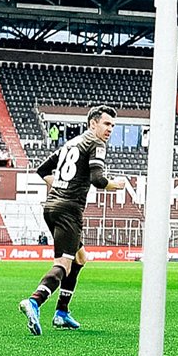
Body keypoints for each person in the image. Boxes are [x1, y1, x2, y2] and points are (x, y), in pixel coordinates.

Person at [19, 106, 122, 334]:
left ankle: (62, 312)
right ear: (93, 123)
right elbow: (98, 179)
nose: (110, 129)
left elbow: (43, 170)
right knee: (63, 265)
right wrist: (116, 184)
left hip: (52, 207)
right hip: (69, 210)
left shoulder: (71, 143)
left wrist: (60, 187)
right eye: (106, 124)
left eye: (113, 125)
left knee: (80, 258)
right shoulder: (96, 143)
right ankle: (34, 301)